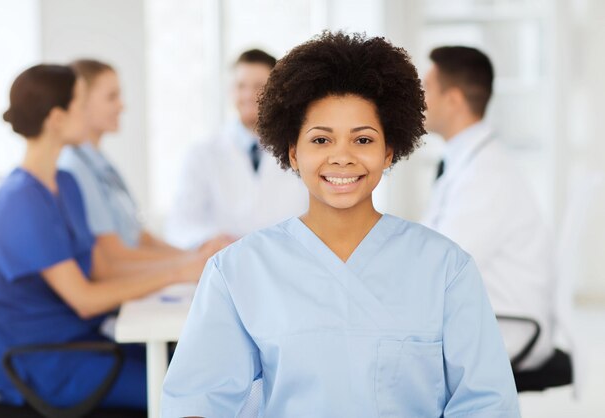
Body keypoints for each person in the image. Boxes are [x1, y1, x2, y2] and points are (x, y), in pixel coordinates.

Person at [161, 32, 520, 417]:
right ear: (293, 153)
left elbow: (488, 404)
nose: (342, 157)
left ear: (389, 152)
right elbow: (197, 401)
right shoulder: (237, 272)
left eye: (363, 140)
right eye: (321, 140)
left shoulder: (446, 269)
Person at [0, 64, 213, 410]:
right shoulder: (19, 201)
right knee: (197, 395)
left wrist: (192, 263)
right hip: (51, 365)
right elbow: (84, 299)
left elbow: (102, 267)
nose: (86, 112)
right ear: (57, 117)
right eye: (79, 103)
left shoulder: (66, 185)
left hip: (89, 344)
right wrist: (177, 273)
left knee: (206, 366)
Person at [420, 46, 555, 370]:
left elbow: (442, 265)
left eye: (426, 90)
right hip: (480, 315)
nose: (418, 101)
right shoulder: (467, 161)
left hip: (507, 325)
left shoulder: (486, 174)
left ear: (453, 100)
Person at [59, 59, 229, 261]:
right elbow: (112, 255)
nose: (122, 105)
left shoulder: (102, 163)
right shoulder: (74, 167)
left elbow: (139, 236)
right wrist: (189, 263)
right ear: (81, 102)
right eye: (111, 97)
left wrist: (199, 257)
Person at [165, 49, 308, 249]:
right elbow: (180, 225)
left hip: (288, 263)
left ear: (277, 91)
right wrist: (212, 239)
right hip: (226, 266)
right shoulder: (202, 154)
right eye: (241, 86)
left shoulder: (302, 149)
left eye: (259, 86)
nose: (249, 95)